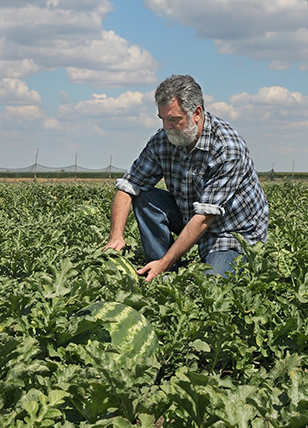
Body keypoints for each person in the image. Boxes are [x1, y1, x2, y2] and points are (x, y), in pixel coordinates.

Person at [104, 74, 269, 281]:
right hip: (189, 214)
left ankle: (163, 266)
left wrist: (165, 264)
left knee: (211, 285)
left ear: (197, 113)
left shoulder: (226, 147)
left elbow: (203, 219)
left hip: (231, 232)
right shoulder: (163, 140)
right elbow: (128, 186)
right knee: (144, 197)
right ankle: (162, 273)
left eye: (174, 120)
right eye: (163, 119)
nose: (167, 127)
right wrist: (116, 236)